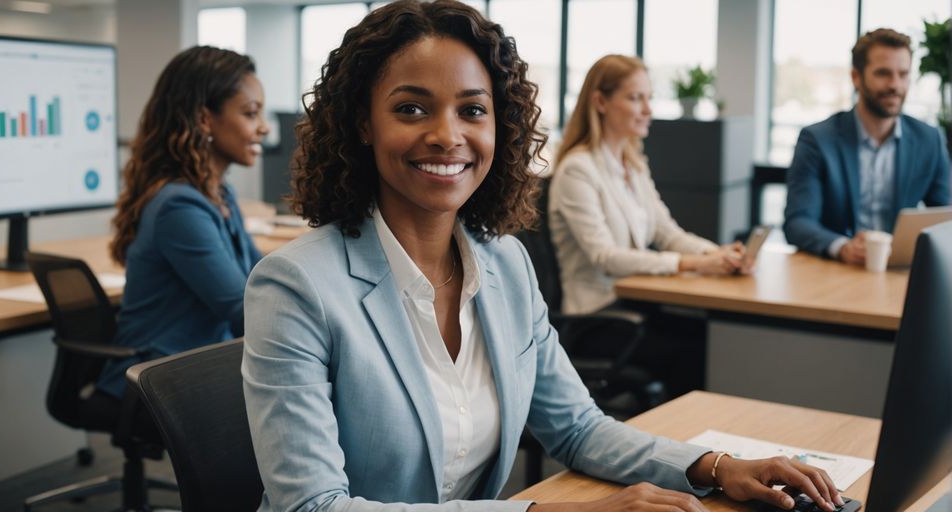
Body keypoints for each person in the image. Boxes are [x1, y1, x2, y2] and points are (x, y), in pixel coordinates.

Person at [242, 2, 845, 511]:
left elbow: (579, 429)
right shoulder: (297, 285)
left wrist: (716, 467)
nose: (448, 135)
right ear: (363, 125)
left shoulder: (504, 264)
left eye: (473, 110)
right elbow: (312, 505)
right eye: (412, 108)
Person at [95, 46, 269, 401]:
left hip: (200, 365)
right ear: (205, 119)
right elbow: (242, 312)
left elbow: (262, 278)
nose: (264, 127)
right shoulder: (180, 208)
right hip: (159, 378)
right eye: (251, 113)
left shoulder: (219, 194)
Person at [548, 55, 746, 316]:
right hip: (599, 315)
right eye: (635, 98)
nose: (648, 110)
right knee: (701, 341)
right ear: (600, 102)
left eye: (648, 98)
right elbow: (605, 257)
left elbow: (667, 234)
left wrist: (718, 254)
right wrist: (695, 263)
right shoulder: (578, 170)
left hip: (634, 303)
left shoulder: (634, 164)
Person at [783, 28, 951, 264]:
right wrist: (842, 247)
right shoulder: (817, 140)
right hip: (837, 270)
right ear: (856, 77)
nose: (895, 85)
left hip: (899, 272)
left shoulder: (929, 140)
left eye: (903, 74)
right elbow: (798, 222)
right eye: (883, 73)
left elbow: (946, 218)